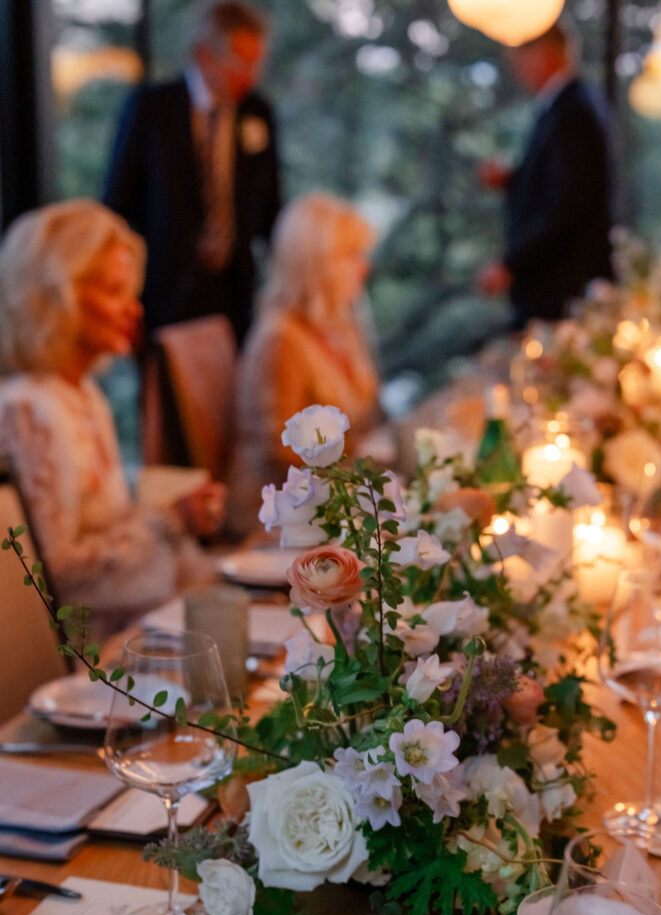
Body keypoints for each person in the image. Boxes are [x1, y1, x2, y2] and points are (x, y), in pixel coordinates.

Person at [0, 200, 224, 638]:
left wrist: (176, 513)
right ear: (54, 295)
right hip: (89, 647)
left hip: (133, 615)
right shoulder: (28, 409)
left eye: (131, 292)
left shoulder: (82, 393)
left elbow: (104, 521)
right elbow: (51, 572)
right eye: (113, 291)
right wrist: (167, 521)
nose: (134, 309)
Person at [103, 1, 281, 347]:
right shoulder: (152, 109)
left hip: (234, 294)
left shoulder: (258, 112)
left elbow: (270, 205)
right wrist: (126, 298)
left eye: (256, 64)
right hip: (165, 293)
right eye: (240, 63)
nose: (250, 76)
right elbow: (118, 206)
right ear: (204, 55)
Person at [227, 192, 380, 536]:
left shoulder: (339, 325)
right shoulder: (280, 340)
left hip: (334, 497)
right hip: (278, 512)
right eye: (352, 256)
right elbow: (281, 451)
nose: (364, 266)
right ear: (317, 263)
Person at [477, 19, 613, 328]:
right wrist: (514, 180)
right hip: (555, 283)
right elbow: (562, 183)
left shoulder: (573, 111)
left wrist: (512, 264)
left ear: (542, 54)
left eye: (518, 58)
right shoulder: (563, 107)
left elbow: (568, 202)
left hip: (560, 286)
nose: (516, 70)